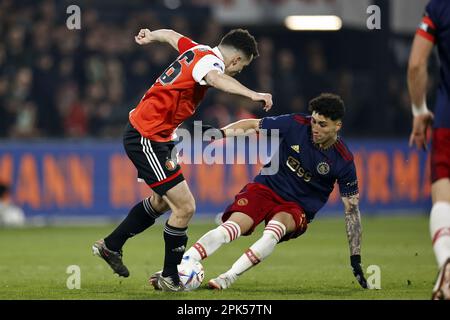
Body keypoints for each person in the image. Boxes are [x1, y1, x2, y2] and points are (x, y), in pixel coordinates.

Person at [92, 28, 273, 292]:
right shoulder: (211, 63)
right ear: (234, 60)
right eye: (242, 66)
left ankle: (111, 245)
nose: (238, 71)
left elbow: (171, 36)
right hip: (147, 136)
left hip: (159, 137)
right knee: (185, 207)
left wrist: (152, 35)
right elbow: (216, 78)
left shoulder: (196, 49)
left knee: (162, 201)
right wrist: (252, 94)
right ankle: (170, 277)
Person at [174, 93, 368, 290]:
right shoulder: (297, 123)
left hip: (296, 206)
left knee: (272, 232)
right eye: (315, 121)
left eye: (323, 125)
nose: (315, 128)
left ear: (338, 126)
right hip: (266, 188)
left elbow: (351, 211)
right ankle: (181, 267)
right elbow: (252, 125)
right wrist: (221, 133)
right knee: (231, 227)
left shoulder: (343, 161)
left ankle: (227, 278)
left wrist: (355, 257)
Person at [407, 0, 450, 300]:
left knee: (443, 195)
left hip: (448, 119)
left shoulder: (439, 7)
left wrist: (419, 110)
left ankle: (447, 267)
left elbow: (415, 64)